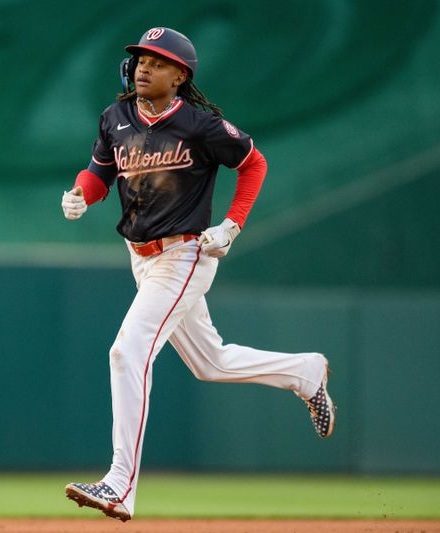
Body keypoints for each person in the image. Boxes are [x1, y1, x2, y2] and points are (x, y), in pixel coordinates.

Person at [60, 27, 336, 522]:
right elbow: (100, 171)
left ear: (180, 75)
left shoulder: (201, 126)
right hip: (140, 256)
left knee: (127, 351)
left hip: (184, 256)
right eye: (141, 57)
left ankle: (120, 484)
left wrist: (232, 225)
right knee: (210, 362)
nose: (144, 66)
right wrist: (82, 191)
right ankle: (304, 371)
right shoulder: (115, 117)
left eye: (158, 61)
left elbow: (254, 164)